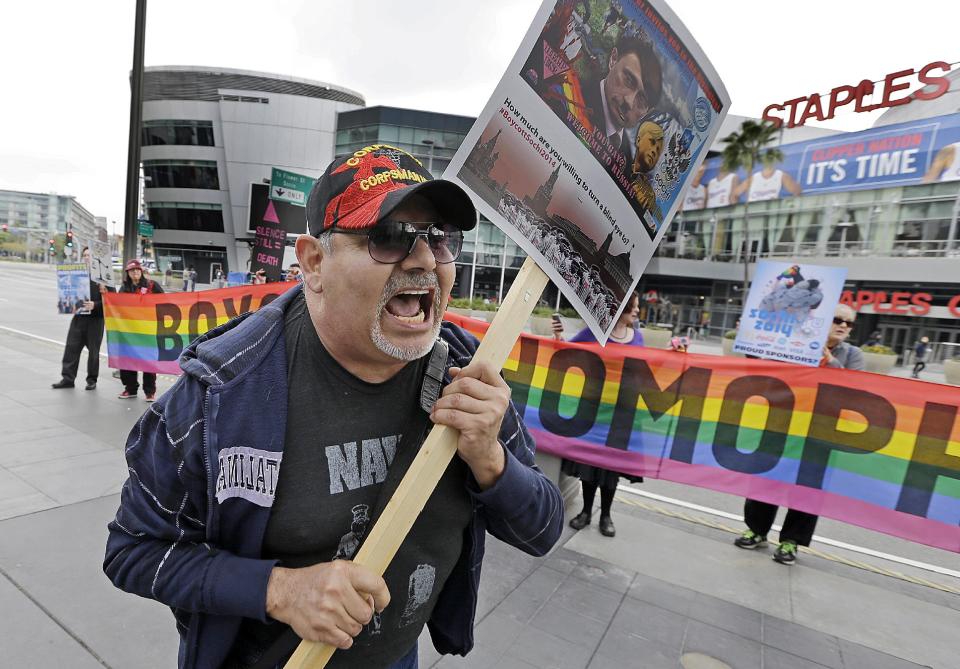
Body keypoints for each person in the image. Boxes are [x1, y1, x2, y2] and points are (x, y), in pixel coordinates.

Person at [104, 145, 563, 669]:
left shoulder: (469, 374)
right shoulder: (221, 394)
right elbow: (132, 551)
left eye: (438, 239)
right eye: (389, 237)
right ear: (314, 262)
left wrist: (491, 461)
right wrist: (279, 590)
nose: (423, 260)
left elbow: (543, 529)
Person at [735, 303, 864, 565]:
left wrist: (828, 359)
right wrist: (750, 342)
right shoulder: (793, 344)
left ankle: (791, 541)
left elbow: (854, 388)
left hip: (820, 432)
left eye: (848, 323)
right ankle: (757, 530)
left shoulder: (853, 355)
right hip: (782, 423)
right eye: (838, 319)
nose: (843, 326)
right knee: (766, 477)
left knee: (807, 489)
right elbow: (763, 371)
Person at [552, 292, 643, 538]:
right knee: (590, 466)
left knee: (611, 470)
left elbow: (646, 369)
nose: (636, 312)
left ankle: (606, 515)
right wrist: (558, 337)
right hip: (593, 411)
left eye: (636, 308)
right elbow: (569, 351)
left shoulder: (638, 337)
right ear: (618, 311)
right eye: (632, 308)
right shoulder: (595, 334)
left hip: (621, 415)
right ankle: (586, 511)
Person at [581, 34, 662, 181]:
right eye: (629, 80)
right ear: (613, 59)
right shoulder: (572, 92)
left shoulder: (627, 166)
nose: (629, 102)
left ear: (647, 113)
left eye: (642, 100)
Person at [52, 247, 105, 391]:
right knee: (71, 348)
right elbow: (68, 293)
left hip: (95, 320)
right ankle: (68, 379)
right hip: (79, 318)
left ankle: (91, 380)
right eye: (85, 255)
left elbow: (112, 302)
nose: (87, 258)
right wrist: (65, 302)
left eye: (90, 255)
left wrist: (96, 305)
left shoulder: (103, 278)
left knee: (93, 352)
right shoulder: (75, 274)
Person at [117, 259, 164, 401]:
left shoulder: (152, 285)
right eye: (132, 270)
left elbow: (165, 301)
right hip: (128, 332)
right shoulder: (124, 288)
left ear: (141, 271)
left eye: (137, 269)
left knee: (148, 361)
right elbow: (117, 306)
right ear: (128, 273)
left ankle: (149, 392)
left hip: (148, 331)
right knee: (127, 361)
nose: (135, 272)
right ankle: (130, 389)